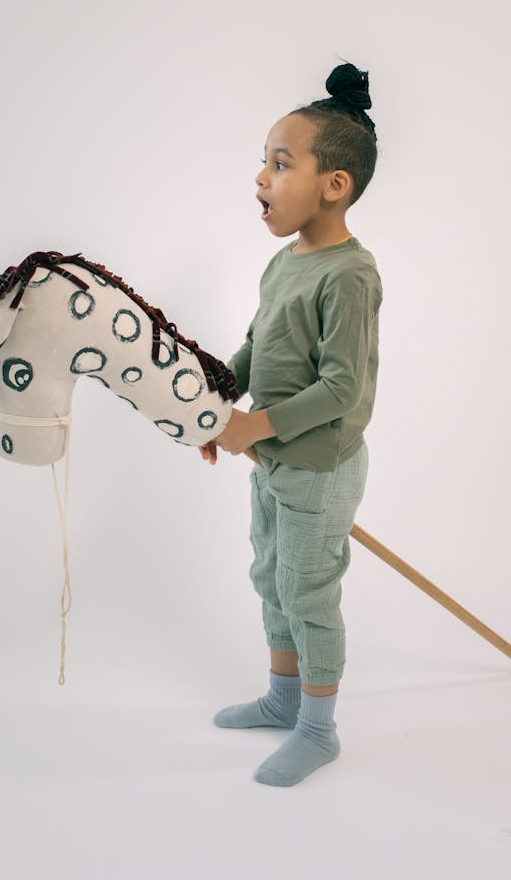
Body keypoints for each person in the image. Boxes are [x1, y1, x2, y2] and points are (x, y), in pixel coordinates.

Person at [200, 62, 382, 787]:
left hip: (318, 466)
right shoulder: (284, 264)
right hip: (271, 457)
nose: (260, 178)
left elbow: (342, 387)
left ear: (333, 185)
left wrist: (256, 425)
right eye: (263, 163)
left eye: (280, 164)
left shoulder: (350, 275)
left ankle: (318, 729)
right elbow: (256, 346)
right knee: (272, 578)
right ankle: (281, 700)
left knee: (309, 592)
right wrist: (214, 393)